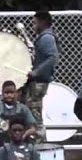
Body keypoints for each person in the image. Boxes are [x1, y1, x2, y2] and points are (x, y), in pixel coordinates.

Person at [22, 11, 58, 141]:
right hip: (38, 81)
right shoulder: (44, 37)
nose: (33, 26)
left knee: (35, 112)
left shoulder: (47, 38)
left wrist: (36, 72)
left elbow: (52, 58)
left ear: (42, 22)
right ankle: (35, 140)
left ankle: (40, 143)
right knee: (32, 110)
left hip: (39, 82)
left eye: (34, 23)